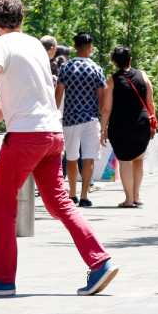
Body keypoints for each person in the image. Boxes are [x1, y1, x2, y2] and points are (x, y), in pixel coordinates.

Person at [0, 0, 117, 297]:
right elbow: (13, 99)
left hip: (25, 138)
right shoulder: (34, 44)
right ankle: (99, 262)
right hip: (51, 136)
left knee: (2, 206)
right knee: (60, 204)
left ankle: (3, 278)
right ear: (21, 17)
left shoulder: (1, 44)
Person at [100, 46, 155, 208]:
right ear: (130, 59)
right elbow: (150, 102)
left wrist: (103, 129)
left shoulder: (112, 80)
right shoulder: (143, 75)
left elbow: (106, 108)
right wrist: (152, 124)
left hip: (121, 125)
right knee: (138, 159)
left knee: (125, 161)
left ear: (114, 62)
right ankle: (136, 196)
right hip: (142, 123)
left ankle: (129, 199)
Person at [55, 32, 106, 207]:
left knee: (71, 157)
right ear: (90, 47)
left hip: (70, 119)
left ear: (75, 47)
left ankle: (72, 193)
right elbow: (102, 99)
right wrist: (104, 122)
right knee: (89, 158)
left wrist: (54, 115)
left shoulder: (66, 68)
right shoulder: (97, 69)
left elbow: (59, 94)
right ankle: (85, 195)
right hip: (91, 119)